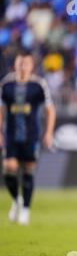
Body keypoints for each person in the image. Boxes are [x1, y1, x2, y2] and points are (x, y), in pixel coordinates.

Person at [0, 51, 56, 225]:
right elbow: (1, 110)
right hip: (11, 134)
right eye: (20, 63)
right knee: (9, 167)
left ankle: (25, 209)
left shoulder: (38, 85)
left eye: (26, 63)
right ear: (15, 64)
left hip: (32, 135)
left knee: (28, 170)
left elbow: (50, 109)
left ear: (32, 66)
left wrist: (48, 132)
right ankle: (16, 199)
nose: (23, 66)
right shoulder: (7, 84)